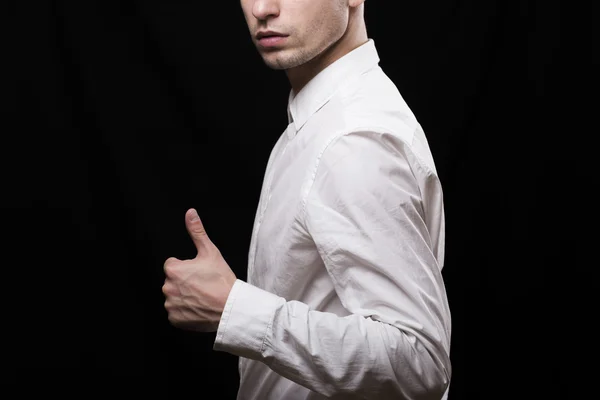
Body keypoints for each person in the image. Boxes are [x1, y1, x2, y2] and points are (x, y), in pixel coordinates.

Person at [162, 0, 452, 399]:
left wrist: (234, 308)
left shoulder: (353, 140)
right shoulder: (320, 118)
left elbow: (419, 363)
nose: (262, 9)